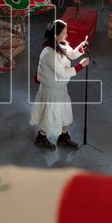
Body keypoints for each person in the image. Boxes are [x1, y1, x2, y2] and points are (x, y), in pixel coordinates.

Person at [30, 20, 90, 150]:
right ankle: (41, 137)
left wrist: (81, 48)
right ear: (55, 35)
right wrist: (81, 66)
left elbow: (72, 55)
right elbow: (62, 73)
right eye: (64, 33)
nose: (67, 35)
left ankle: (63, 136)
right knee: (50, 115)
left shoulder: (61, 44)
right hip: (51, 90)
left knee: (63, 112)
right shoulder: (48, 53)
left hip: (60, 88)